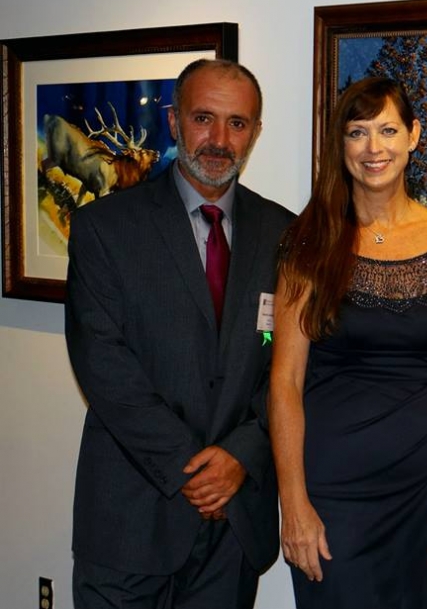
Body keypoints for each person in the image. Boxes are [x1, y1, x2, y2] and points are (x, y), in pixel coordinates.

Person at [65, 58, 295, 609]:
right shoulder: (105, 228)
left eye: (237, 123)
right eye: (203, 118)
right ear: (174, 121)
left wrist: (241, 455)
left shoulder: (286, 234)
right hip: (129, 519)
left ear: (255, 133)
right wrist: (191, 471)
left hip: (234, 526)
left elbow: (291, 366)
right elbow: (103, 365)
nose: (219, 140)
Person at [269, 76, 427, 608]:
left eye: (387, 130)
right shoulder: (309, 242)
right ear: (341, 145)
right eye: (357, 132)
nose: (373, 148)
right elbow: (284, 382)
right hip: (331, 491)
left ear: (413, 136)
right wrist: (292, 502)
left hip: (421, 492)